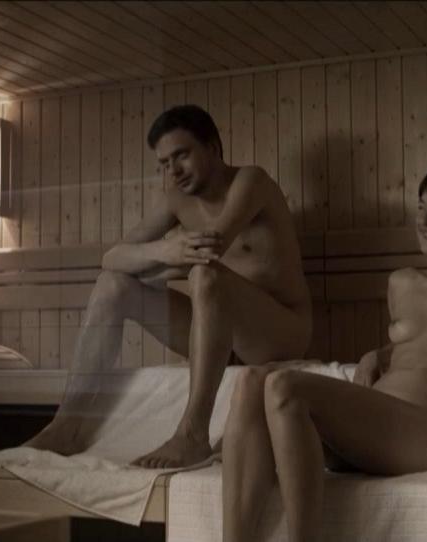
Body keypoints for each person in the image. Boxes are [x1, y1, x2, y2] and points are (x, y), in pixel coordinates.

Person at [222, 166, 427, 542]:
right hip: (375, 430)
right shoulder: (402, 282)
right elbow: (424, 346)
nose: (424, 220)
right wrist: (380, 354)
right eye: (420, 208)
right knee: (251, 380)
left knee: (285, 387)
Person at [22, 105, 314, 469]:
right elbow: (112, 259)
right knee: (112, 286)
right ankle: (67, 426)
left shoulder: (251, 181)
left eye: (182, 155)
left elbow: (210, 249)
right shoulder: (176, 198)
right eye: (164, 163)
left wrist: (161, 261)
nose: (173, 171)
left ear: (212, 147)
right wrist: (163, 250)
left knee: (205, 276)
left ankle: (192, 435)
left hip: (278, 332)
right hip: (223, 334)